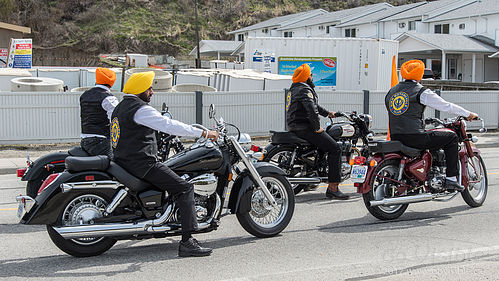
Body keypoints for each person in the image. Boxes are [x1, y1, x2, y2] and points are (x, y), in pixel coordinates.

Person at [111, 71, 219, 257]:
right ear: (140, 90)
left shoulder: (121, 107)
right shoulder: (140, 109)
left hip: (125, 161)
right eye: (149, 88)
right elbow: (168, 125)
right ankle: (187, 242)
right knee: (184, 188)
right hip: (142, 164)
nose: (152, 92)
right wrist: (203, 133)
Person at [386, 59, 479, 192]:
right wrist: (468, 113)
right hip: (415, 137)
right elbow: (445, 106)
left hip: (395, 136)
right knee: (451, 137)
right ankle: (452, 179)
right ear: (419, 74)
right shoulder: (420, 91)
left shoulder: (391, 91)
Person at [286, 63, 349, 200]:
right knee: (335, 149)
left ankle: (311, 177)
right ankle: (333, 188)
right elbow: (311, 110)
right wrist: (316, 127)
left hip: (295, 126)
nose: (313, 77)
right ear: (306, 77)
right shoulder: (304, 89)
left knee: (323, 146)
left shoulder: (295, 88)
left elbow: (313, 105)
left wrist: (328, 113)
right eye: (311, 75)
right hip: (305, 128)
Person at [79, 67, 118, 157]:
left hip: (85, 139)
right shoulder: (109, 98)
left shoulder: (84, 95)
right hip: (101, 140)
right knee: (116, 165)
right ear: (111, 83)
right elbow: (115, 120)